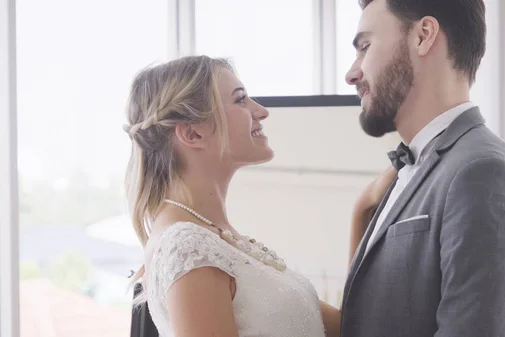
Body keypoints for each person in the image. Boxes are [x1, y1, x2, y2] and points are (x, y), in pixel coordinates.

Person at [123, 55, 393, 337]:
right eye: (240, 100)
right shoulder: (188, 247)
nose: (261, 111)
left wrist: (364, 208)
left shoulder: (216, 238)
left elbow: (345, 329)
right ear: (192, 133)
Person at [341, 0, 505, 336]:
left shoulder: (484, 173)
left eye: (365, 46)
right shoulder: (410, 171)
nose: (351, 73)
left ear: (423, 36)